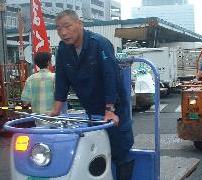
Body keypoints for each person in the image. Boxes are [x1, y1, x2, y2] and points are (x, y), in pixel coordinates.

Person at [49, 10, 134, 179]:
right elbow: (62, 78)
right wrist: (56, 109)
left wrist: (110, 109)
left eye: (67, 26)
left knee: (120, 151)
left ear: (80, 23)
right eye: (58, 29)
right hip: (90, 108)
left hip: (114, 107)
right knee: (95, 148)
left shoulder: (99, 44)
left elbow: (110, 76)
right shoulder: (63, 49)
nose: (63, 32)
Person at [21, 52, 55, 126]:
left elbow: (25, 102)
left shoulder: (30, 79)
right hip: (55, 121)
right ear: (49, 62)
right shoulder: (55, 77)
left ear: (36, 64)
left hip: (38, 120)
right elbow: (61, 98)